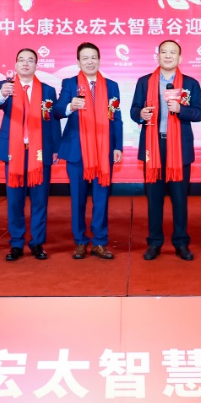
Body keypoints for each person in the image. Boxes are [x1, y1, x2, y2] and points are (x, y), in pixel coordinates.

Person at [129, 40, 201, 261]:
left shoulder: (190, 83)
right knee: (154, 199)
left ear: (180, 58)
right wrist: (140, 114)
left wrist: (181, 109)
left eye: (173, 52)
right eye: (164, 52)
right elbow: (134, 110)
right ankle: (154, 242)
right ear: (158, 56)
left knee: (180, 199)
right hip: (154, 146)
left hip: (179, 147)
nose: (168, 56)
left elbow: (199, 114)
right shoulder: (145, 82)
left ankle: (181, 243)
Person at [53, 42, 123, 260]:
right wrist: (69, 107)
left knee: (101, 199)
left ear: (99, 60)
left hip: (103, 150)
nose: (90, 62)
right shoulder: (70, 84)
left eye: (93, 57)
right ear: (78, 62)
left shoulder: (111, 86)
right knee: (78, 199)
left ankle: (100, 242)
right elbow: (57, 111)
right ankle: (80, 241)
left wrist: (118, 146)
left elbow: (116, 117)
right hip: (77, 150)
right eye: (85, 58)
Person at [0, 48, 61, 261]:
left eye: (30, 60)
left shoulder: (47, 90)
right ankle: (16, 244)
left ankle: (37, 243)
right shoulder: (6, 86)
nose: (25, 63)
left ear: (36, 65)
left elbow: (53, 120)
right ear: (15, 64)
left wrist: (55, 148)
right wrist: (3, 94)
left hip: (39, 151)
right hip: (14, 152)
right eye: (21, 60)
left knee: (40, 201)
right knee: (15, 201)